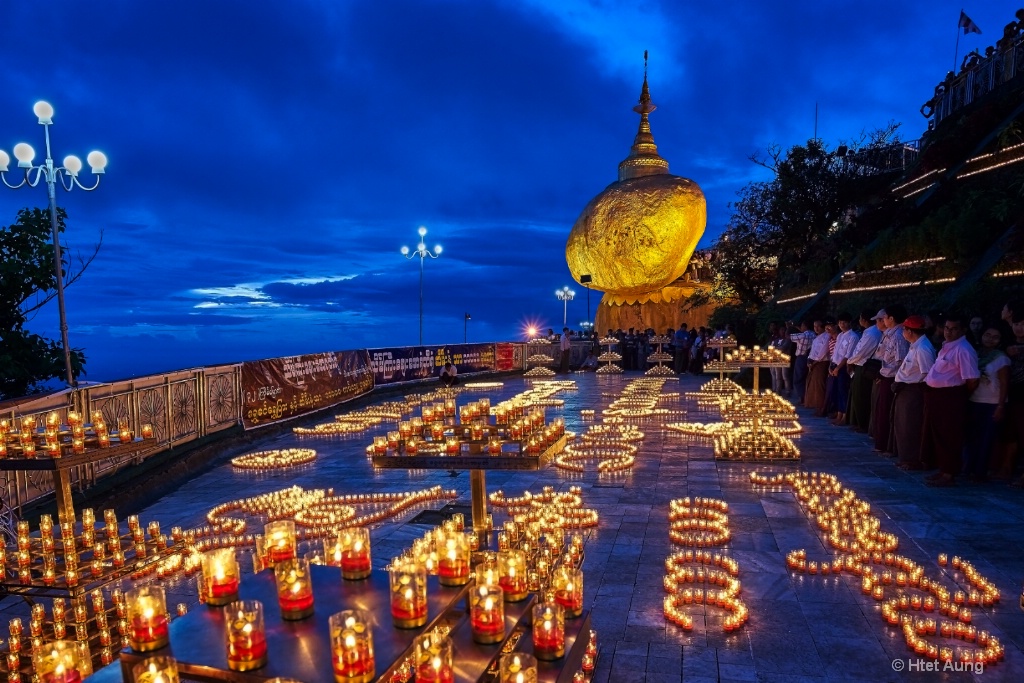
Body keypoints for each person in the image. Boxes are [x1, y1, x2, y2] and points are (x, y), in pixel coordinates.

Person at [921, 313, 980, 487]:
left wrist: (959, 396)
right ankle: (943, 469)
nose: (949, 332)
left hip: (952, 396)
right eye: (947, 328)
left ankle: (949, 473)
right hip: (938, 396)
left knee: (950, 435)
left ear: (963, 330)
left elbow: (972, 379)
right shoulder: (946, 346)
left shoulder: (964, 349)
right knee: (939, 434)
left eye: (954, 329)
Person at [963, 323, 1010, 482]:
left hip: (992, 402)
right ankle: (968, 468)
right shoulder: (974, 353)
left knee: (986, 438)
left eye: (995, 337)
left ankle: (980, 472)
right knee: (972, 437)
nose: (990, 339)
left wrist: (1001, 406)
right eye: (988, 335)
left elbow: (1004, 383)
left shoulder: (1001, 357)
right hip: (974, 400)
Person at [893, 316, 936, 470]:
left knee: (911, 426)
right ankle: (906, 457)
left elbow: (928, 373)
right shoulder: (915, 346)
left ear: (910, 331)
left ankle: (913, 460)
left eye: (904, 329)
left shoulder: (923, 348)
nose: (903, 332)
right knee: (903, 425)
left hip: (914, 391)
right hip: (905, 389)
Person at [872, 305, 909, 453]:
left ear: (891, 318)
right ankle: (882, 443)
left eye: (885, 317)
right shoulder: (890, 333)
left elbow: (901, 361)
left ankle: (888, 446)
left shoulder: (899, 335)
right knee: (881, 411)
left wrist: (895, 380)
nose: (883, 320)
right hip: (885, 375)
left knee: (887, 412)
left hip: (893, 377)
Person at [846, 309, 884, 432]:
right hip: (859, 364)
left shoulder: (872, 334)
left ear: (864, 320)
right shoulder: (869, 332)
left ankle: (863, 424)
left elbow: (861, 352)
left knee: (861, 396)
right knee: (857, 395)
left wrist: (849, 361)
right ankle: (858, 422)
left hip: (864, 366)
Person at [805, 320, 831, 411]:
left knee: (820, 385)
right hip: (813, 362)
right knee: (813, 384)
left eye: (818, 326)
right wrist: (809, 361)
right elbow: (812, 351)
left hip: (821, 363)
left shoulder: (827, 336)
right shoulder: (816, 338)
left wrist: (815, 362)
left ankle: (822, 407)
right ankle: (815, 404)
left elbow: (823, 352)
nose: (816, 328)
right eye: (814, 326)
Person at [790, 320, 815, 405]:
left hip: (801, 358)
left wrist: (788, 327)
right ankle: (806, 397)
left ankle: (801, 398)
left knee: (798, 378)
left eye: (802, 326)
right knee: (805, 378)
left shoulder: (802, 335)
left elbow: (788, 336)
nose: (801, 328)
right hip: (810, 357)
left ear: (805, 326)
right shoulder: (813, 334)